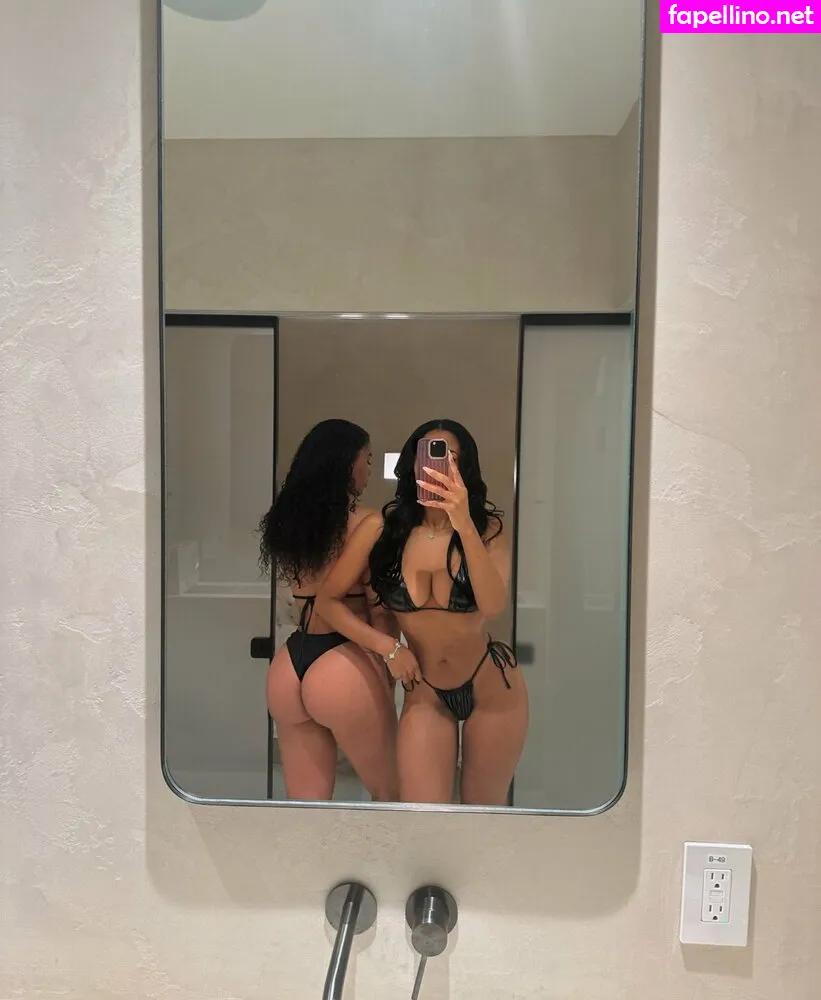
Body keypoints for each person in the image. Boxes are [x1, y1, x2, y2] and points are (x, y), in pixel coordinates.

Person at [317, 419, 529, 806]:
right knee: (422, 815)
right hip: (425, 692)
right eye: (426, 455)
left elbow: (494, 606)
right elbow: (327, 602)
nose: (436, 466)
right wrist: (388, 648)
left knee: (485, 815)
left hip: (492, 686)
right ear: (412, 464)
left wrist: (464, 523)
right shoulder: (383, 529)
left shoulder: (487, 530)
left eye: (449, 457)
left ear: (464, 468)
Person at [258, 419, 399, 802]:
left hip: (291, 663)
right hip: (344, 661)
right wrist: (388, 665)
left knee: (306, 810)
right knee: (391, 793)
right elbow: (379, 609)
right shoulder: (367, 524)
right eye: (367, 460)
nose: (369, 470)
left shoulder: (290, 526)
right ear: (347, 463)